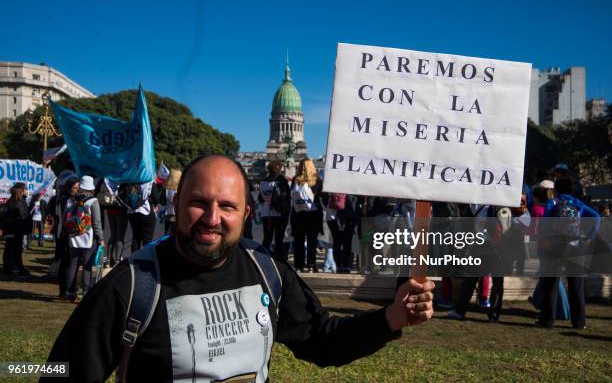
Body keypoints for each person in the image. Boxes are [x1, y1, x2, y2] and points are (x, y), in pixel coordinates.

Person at [44, 155, 435, 382]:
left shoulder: (268, 272)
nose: (211, 218)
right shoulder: (131, 286)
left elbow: (323, 339)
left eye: (227, 207)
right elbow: (62, 371)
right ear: (176, 205)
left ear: (246, 214)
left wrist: (393, 316)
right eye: (199, 202)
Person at [536, 177, 601, 329]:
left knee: (550, 285)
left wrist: (545, 240)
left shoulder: (552, 203)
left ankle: (547, 321)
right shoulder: (578, 204)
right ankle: (579, 322)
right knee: (576, 286)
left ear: (556, 189)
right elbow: (597, 217)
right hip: (576, 246)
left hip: (555, 247)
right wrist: (589, 237)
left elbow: (545, 224)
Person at [62, 176, 106, 302]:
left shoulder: (71, 199)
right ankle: (85, 294)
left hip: (73, 236)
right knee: (87, 266)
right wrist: (101, 240)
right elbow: (97, 223)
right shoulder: (93, 201)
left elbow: (66, 218)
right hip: (88, 237)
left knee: (73, 265)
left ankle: (69, 292)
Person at [290, 158, 323, 272]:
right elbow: (323, 197)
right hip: (313, 213)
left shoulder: (296, 180)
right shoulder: (317, 180)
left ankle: (298, 265)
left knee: (298, 240)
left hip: (298, 213)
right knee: (312, 241)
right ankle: (311, 265)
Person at [258, 160, 291, 260]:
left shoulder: (263, 182)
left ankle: (262, 258)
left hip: (266, 212)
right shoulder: (281, 181)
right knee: (279, 238)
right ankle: (278, 259)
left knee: (267, 238)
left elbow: (260, 198)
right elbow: (286, 196)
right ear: (279, 169)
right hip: (279, 212)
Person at [120, 181, 160, 253]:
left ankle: (134, 260)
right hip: (146, 212)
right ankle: (146, 259)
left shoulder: (130, 179)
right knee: (147, 240)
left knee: (136, 238)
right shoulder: (149, 182)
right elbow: (156, 198)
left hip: (132, 212)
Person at [2, 184, 30, 275]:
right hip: (15, 229)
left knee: (10, 248)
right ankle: (14, 268)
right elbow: (23, 216)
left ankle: (13, 267)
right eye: (25, 189)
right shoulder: (18, 202)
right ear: (21, 191)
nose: (27, 190)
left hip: (12, 229)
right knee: (14, 249)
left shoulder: (12, 201)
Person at [161, 169, 182, 235]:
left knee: (166, 235)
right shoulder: (181, 190)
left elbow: (162, 202)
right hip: (178, 216)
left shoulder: (166, 189)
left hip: (168, 215)